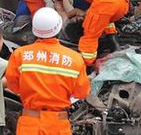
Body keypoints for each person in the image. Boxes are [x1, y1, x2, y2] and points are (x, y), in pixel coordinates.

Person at [5, 7, 90, 135]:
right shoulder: (75, 59)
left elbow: (13, 86)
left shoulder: (20, 55)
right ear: (58, 28)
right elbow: (81, 93)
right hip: (58, 126)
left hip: (29, 125)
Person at [52, 0, 129, 66]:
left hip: (105, 1)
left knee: (90, 34)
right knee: (108, 23)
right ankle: (115, 50)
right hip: (122, 2)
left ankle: (86, 65)